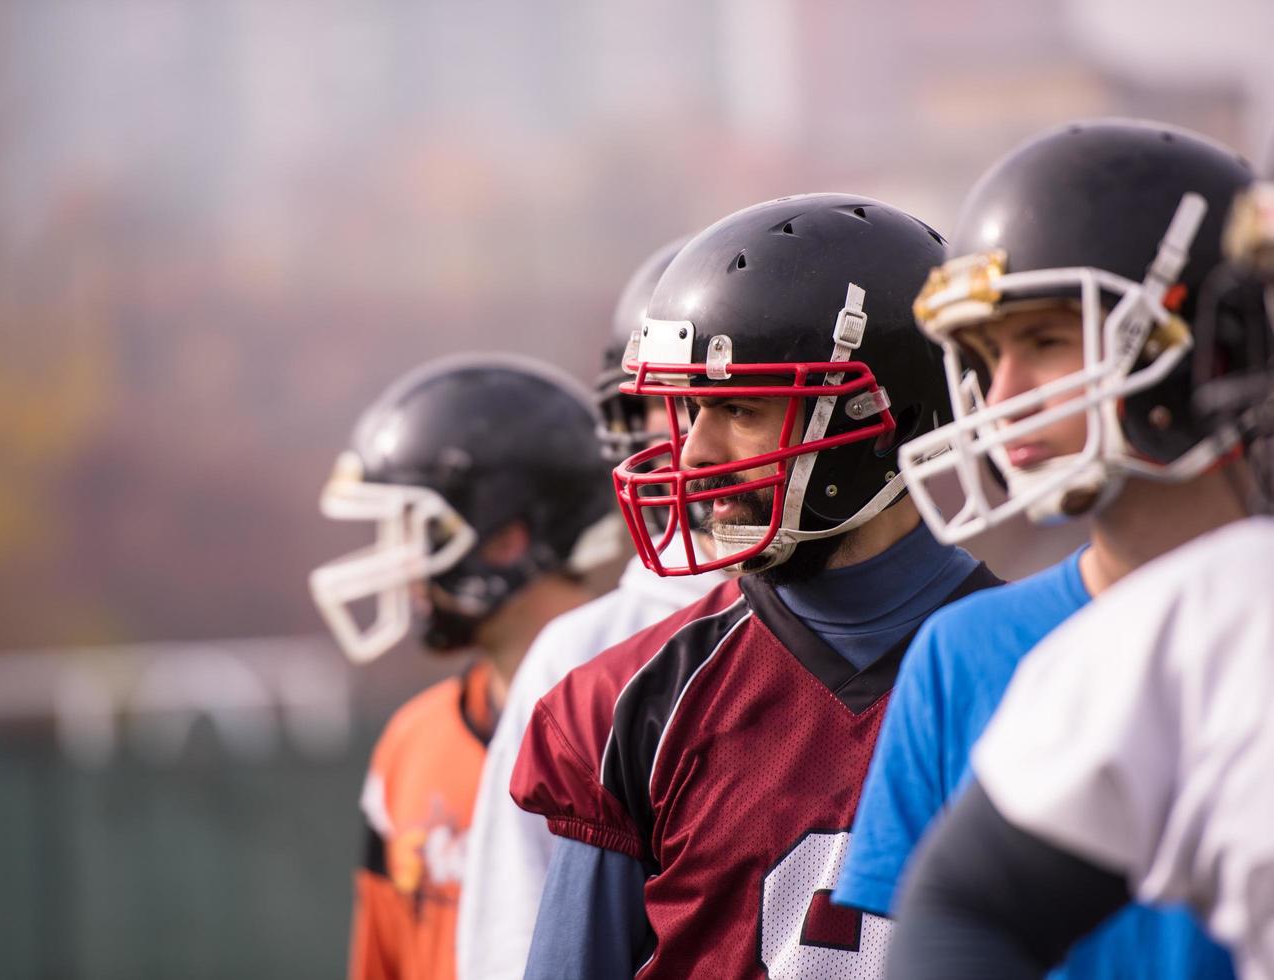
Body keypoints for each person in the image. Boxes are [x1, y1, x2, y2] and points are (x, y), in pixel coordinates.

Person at [509, 193, 1000, 978]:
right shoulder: (631, 703)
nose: (695, 452)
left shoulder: (1045, 671)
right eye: (691, 408)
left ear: (882, 418)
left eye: (737, 407)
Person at [835, 119, 1254, 978]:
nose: (1001, 398)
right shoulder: (961, 653)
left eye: (1046, 341)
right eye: (986, 357)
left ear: (1202, 347)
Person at [455, 241, 727, 980]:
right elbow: (512, 938)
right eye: (651, 401)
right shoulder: (579, 655)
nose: (683, 437)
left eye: (711, 397)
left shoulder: (916, 630)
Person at [309, 354, 621, 980]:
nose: (401, 562)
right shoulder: (412, 743)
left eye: (415, 528)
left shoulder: (646, 719)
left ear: (507, 537)